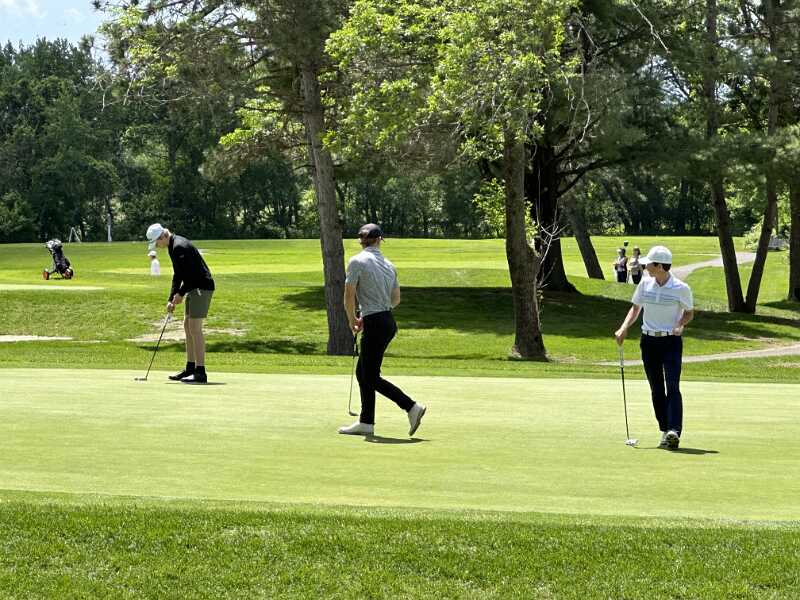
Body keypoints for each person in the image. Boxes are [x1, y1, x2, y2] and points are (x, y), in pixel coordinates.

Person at [338, 223, 426, 437]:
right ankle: (366, 422)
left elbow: (348, 295)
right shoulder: (389, 264)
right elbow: (395, 300)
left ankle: (411, 406)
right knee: (363, 372)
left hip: (375, 322)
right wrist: (372, 312)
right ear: (379, 240)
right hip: (387, 321)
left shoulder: (357, 261)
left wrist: (352, 320)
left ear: (361, 241)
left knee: (370, 376)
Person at [614, 245, 694, 450]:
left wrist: (680, 325)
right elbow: (635, 308)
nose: (645, 267)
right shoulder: (645, 284)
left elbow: (689, 312)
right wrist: (623, 328)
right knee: (656, 389)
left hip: (671, 342)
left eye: (649, 264)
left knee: (672, 386)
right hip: (649, 342)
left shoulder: (680, 288)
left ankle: (674, 430)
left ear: (659, 266)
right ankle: (665, 430)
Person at [146, 223, 215, 384]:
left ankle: (200, 372)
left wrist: (181, 294)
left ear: (163, 236)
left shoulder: (179, 247)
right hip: (194, 287)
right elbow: (178, 275)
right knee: (187, 325)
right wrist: (171, 298)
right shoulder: (172, 247)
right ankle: (190, 368)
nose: (157, 246)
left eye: (157, 242)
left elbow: (191, 276)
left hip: (201, 287)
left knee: (195, 328)